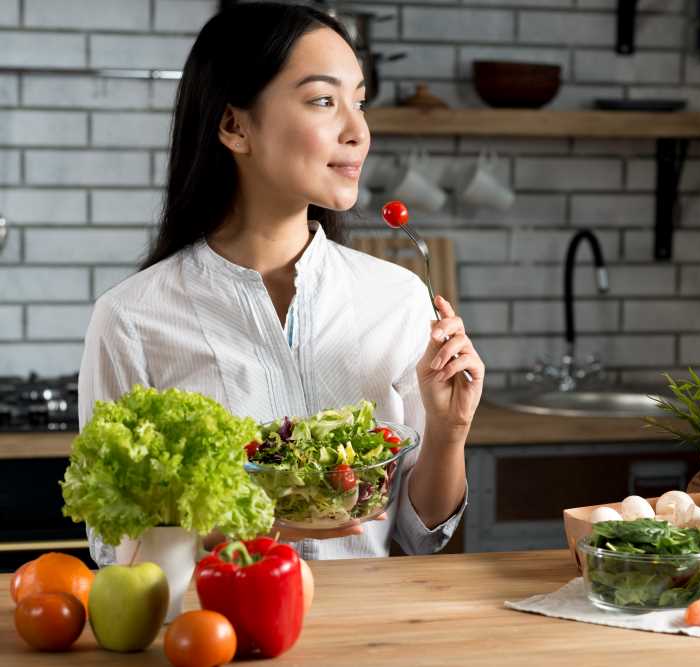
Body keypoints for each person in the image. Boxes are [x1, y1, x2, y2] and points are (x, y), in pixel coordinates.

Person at [79, 2, 484, 563]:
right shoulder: (131, 318)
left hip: (369, 642)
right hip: (219, 638)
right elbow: (113, 544)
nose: (357, 131)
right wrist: (248, 524)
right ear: (235, 125)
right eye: (323, 101)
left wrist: (448, 430)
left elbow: (421, 536)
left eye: (359, 102)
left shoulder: (397, 297)